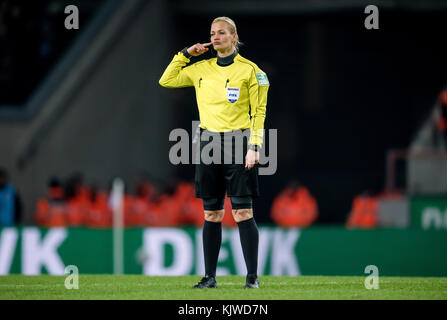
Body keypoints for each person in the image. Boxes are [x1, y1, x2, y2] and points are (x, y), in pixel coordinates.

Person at [159, 16, 269, 289]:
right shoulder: (200, 69)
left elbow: (259, 112)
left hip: (239, 142)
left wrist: (254, 146)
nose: (216, 36)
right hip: (208, 144)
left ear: (234, 37)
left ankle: (252, 278)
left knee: (243, 213)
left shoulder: (251, 71)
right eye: (212, 33)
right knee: (211, 215)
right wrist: (185, 53)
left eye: (222, 32)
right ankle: (210, 277)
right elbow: (166, 80)